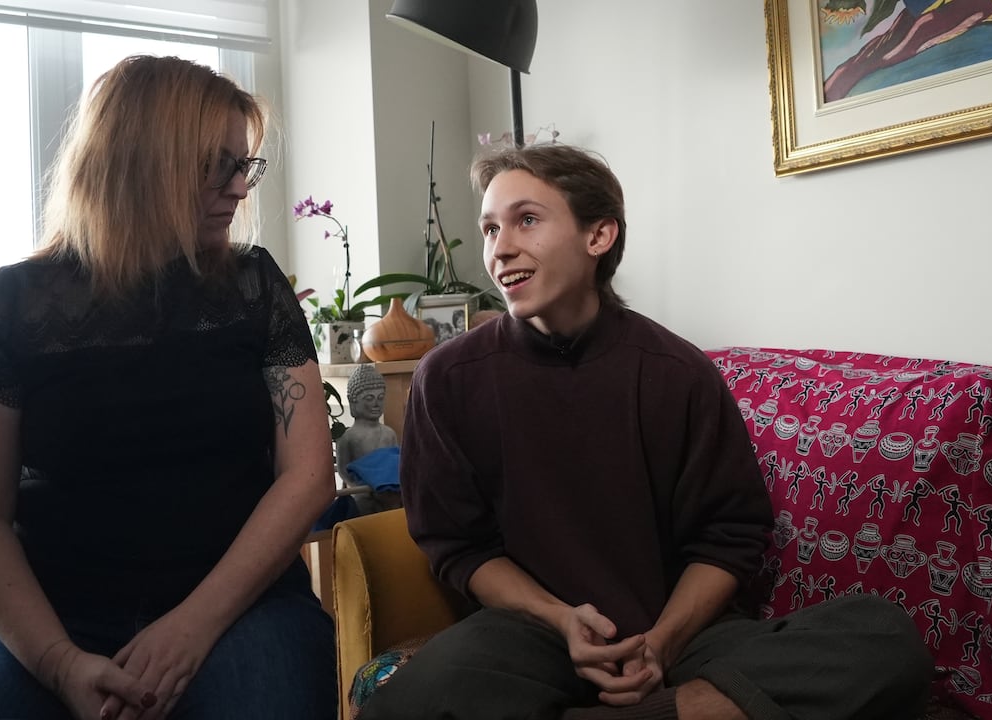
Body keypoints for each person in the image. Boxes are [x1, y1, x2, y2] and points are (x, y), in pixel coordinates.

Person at [358, 143, 933, 720]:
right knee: (410, 702)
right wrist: (561, 621)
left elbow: (730, 537)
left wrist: (661, 643)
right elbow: (458, 546)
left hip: (682, 640)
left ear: (599, 236)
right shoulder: (448, 378)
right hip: (530, 637)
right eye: (489, 228)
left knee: (884, 640)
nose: (500, 248)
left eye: (526, 220)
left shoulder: (677, 373)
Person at [0, 55, 337, 720]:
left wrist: (194, 625)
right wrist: (57, 662)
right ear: (138, 162)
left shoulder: (254, 286)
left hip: (240, 607)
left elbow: (309, 476)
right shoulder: (11, 305)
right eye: (214, 165)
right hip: (50, 618)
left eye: (242, 164)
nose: (238, 187)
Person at [335, 364, 400, 515]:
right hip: (362, 494)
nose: (376, 404)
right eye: (369, 398)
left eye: (380, 398)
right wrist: (360, 488)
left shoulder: (388, 433)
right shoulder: (348, 437)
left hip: (388, 493)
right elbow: (344, 470)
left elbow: (394, 466)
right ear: (353, 402)